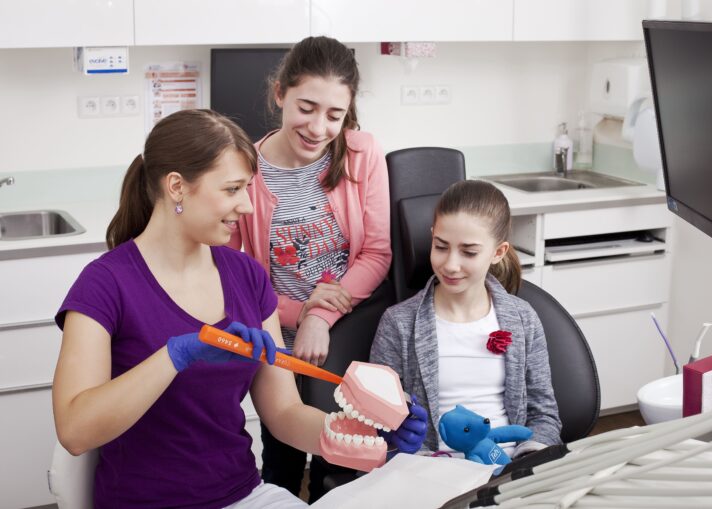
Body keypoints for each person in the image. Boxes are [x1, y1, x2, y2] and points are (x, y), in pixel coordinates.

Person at [52, 109, 422, 508]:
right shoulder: (105, 283)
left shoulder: (247, 276)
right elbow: (75, 431)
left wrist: (366, 438)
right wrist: (175, 356)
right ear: (177, 186)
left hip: (244, 494)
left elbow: (284, 413)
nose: (246, 206)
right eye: (232, 189)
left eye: (248, 188)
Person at [227, 36, 392, 501]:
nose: (319, 128)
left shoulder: (362, 153)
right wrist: (298, 314)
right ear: (279, 93)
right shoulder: (245, 169)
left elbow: (377, 253)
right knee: (280, 458)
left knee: (341, 462)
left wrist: (319, 316)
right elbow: (233, 275)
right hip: (278, 338)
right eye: (306, 107)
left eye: (335, 115)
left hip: (349, 331)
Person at [370, 180, 562, 460]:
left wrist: (525, 462)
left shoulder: (523, 319)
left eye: (469, 252)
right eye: (441, 246)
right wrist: (408, 452)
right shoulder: (398, 323)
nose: (450, 265)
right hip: (430, 471)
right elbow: (377, 417)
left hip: (509, 466)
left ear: (498, 252)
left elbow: (544, 414)